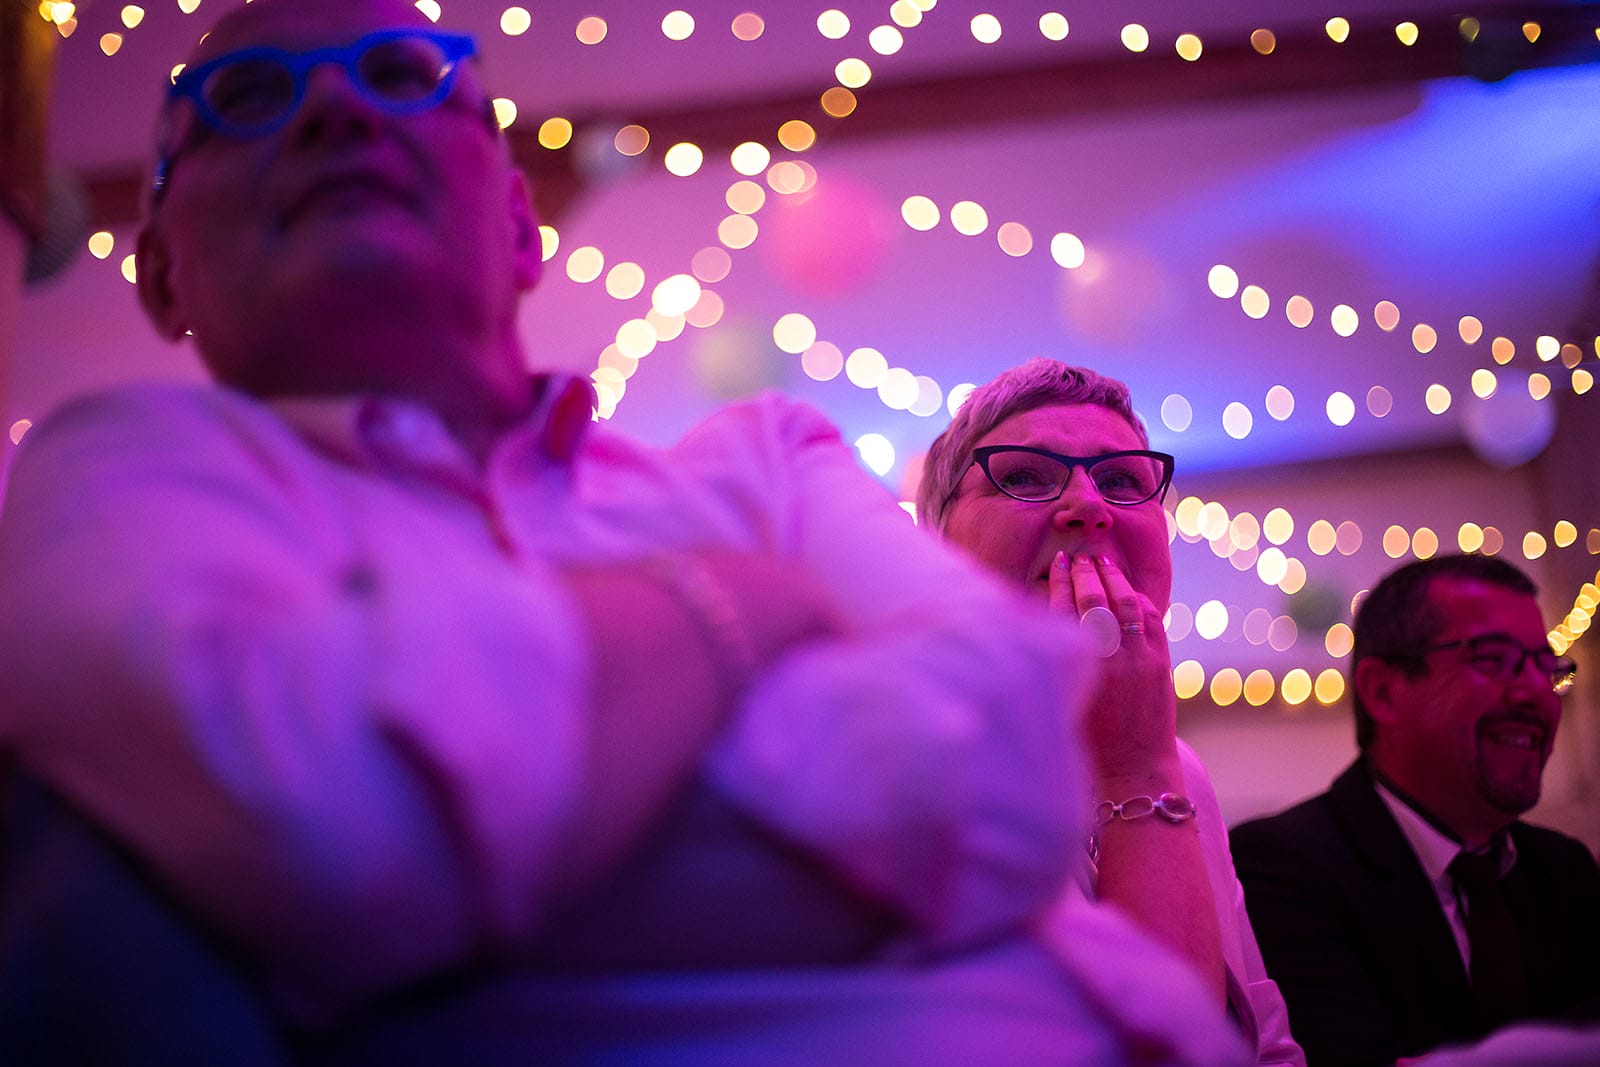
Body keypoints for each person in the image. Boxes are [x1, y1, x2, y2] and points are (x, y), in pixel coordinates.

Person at [0, 2, 1248, 1062]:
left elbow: (1011, 772)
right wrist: (743, 607)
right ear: (157, 270)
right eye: (246, 98)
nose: (333, 114)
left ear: (518, 223)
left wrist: (482, 815)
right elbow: (345, 845)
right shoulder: (115, 482)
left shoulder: (766, 460)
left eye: (401, 77)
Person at [916, 358, 1304, 1066]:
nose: (1088, 506)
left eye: (1123, 480)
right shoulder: (905, 756)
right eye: (1026, 475)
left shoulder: (1180, 767)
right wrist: (1135, 768)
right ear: (937, 545)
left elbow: (1261, 1040)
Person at [1230, 554, 1600, 1065]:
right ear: (1382, 691)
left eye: (1547, 665)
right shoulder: (1283, 869)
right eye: (1494, 658)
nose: (1537, 692)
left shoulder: (1565, 870)